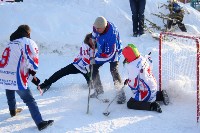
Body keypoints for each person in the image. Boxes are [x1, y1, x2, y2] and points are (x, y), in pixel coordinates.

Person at [0, 25, 54, 131]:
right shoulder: (27, 42)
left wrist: (30, 77)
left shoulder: (10, 43)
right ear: (28, 33)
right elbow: (32, 61)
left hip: (3, 73)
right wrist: (33, 73)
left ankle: (12, 110)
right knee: (29, 99)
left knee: (9, 86)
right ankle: (40, 123)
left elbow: (14, 62)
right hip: (16, 76)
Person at [90, 16, 126, 104]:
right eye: (96, 28)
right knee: (93, 68)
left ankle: (121, 94)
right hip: (103, 48)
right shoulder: (98, 25)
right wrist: (93, 43)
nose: (97, 29)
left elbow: (109, 55)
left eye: (99, 29)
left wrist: (96, 58)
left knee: (114, 70)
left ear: (104, 27)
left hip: (113, 52)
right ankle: (98, 90)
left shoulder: (112, 35)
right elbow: (94, 35)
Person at [122, 44, 162, 113]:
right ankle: (161, 95)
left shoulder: (132, 66)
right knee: (149, 91)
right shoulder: (142, 58)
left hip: (146, 91)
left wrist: (128, 82)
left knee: (130, 104)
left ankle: (152, 106)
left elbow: (133, 85)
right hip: (153, 86)